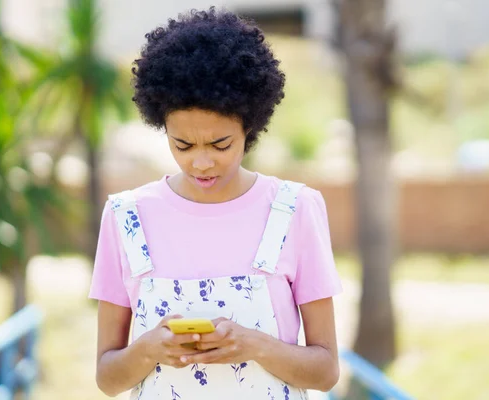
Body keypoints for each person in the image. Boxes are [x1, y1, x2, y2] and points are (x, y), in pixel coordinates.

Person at [89, 7, 343, 400]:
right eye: (183, 145)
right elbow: (108, 377)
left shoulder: (295, 210)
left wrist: (253, 345)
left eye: (220, 144)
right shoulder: (127, 217)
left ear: (250, 126)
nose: (201, 163)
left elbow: (325, 371)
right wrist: (149, 350)